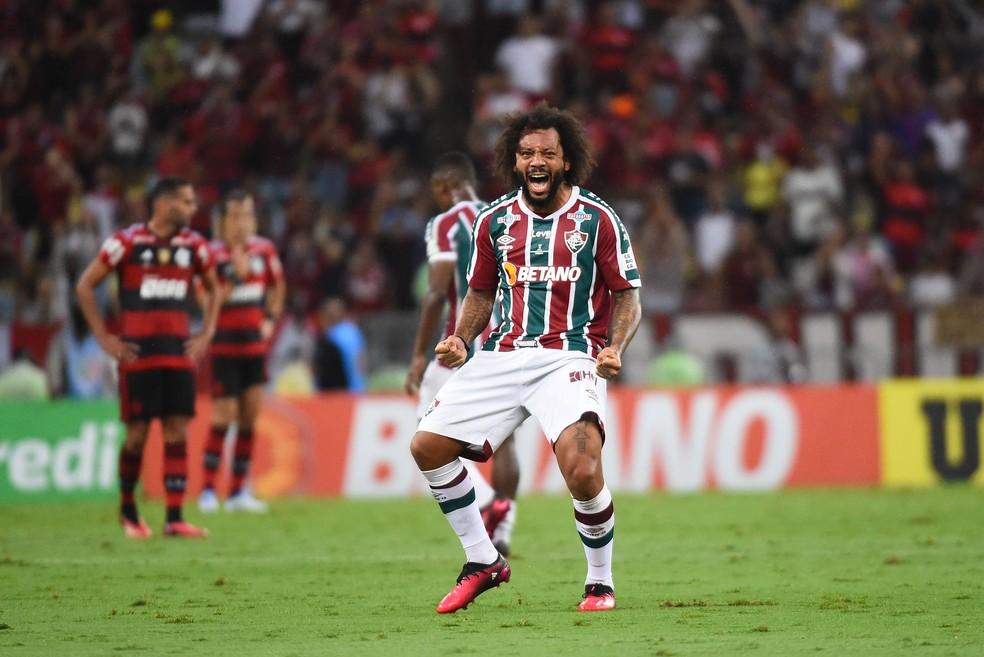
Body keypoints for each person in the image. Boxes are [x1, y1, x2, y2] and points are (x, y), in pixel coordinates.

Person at [410, 104, 642, 614]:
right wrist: (460, 338)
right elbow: (479, 295)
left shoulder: (597, 219)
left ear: (566, 161)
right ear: (514, 162)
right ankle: (482, 559)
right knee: (426, 447)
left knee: (582, 470)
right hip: (502, 354)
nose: (536, 161)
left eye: (547, 153)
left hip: (570, 357)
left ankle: (599, 581)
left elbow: (627, 295)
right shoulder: (494, 221)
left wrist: (614, 348)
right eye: (527, 153)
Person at [76, 176, 221, 539]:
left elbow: (215, 288)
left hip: (177, 353)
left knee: (176, 431)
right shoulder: (126, 242)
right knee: (137, 435)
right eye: (187, 202)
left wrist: (207, 332)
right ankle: (128, 510)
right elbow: (85, 285)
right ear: (165, 203)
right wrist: (103, 336)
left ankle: (174, 517)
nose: (192, 208)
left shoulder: (195, 246)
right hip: (138, 354)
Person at [405, 151, 520, 557]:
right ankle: (504, 527)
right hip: (509, 340)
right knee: (504, 441)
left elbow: (437, 291)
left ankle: (488, 502)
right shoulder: (506, 215)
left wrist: (419, 354)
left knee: (427, 430)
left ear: (442, 189)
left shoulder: (446, 223)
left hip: (462, 343)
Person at [198, 190, 285, 513]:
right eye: (236, 216)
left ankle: (236, 493)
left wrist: (270, 320)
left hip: (254, 345)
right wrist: (235, 273)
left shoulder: (264, 249)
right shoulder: (210, 255)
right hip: (224, 345)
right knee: (223, 417)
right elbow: (206, 302)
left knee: (249, 419)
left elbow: (278, 286)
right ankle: (207, 490)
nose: (243, 222)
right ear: (223, 220)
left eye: (248, 215)